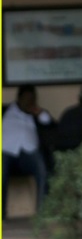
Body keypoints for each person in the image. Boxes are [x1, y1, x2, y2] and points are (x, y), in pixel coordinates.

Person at [2, 84, 55, 219]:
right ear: (18, 98)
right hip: (6, 151)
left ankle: (43, 213)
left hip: (29, 152)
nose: (29, 102)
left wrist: (39, 112)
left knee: (42, 170)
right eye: (26, 98)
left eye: (32, 99)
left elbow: (49, 123)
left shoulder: (36, 114)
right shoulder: (5, 110)